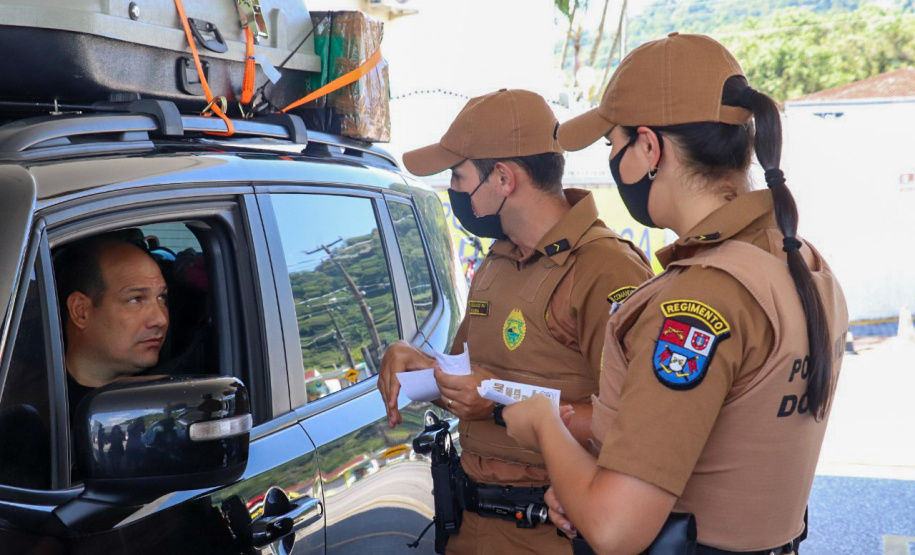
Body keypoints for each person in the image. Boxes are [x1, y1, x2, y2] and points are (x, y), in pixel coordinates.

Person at [502, 33, 849, 554]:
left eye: (613, 147)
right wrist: (584, 484)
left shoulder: (700, 301)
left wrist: (545, 426)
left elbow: (617, 529)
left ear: (649, 148)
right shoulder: (800, 262)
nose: (615, 166)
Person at [378, 89, 653, 554]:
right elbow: (474, 383)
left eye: (458, 176)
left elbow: (635, 424)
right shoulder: (498, 260)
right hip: (473, 523)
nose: (454, 191)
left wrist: (498, 401)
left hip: (554, 531)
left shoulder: (605, 269)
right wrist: (421, 368)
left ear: (503, 178)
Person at [55, 236, 169, 419]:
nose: (160, 319)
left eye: (162, 297)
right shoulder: (30, 407)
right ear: (80, 311)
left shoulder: (171, 400)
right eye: (136, 299)